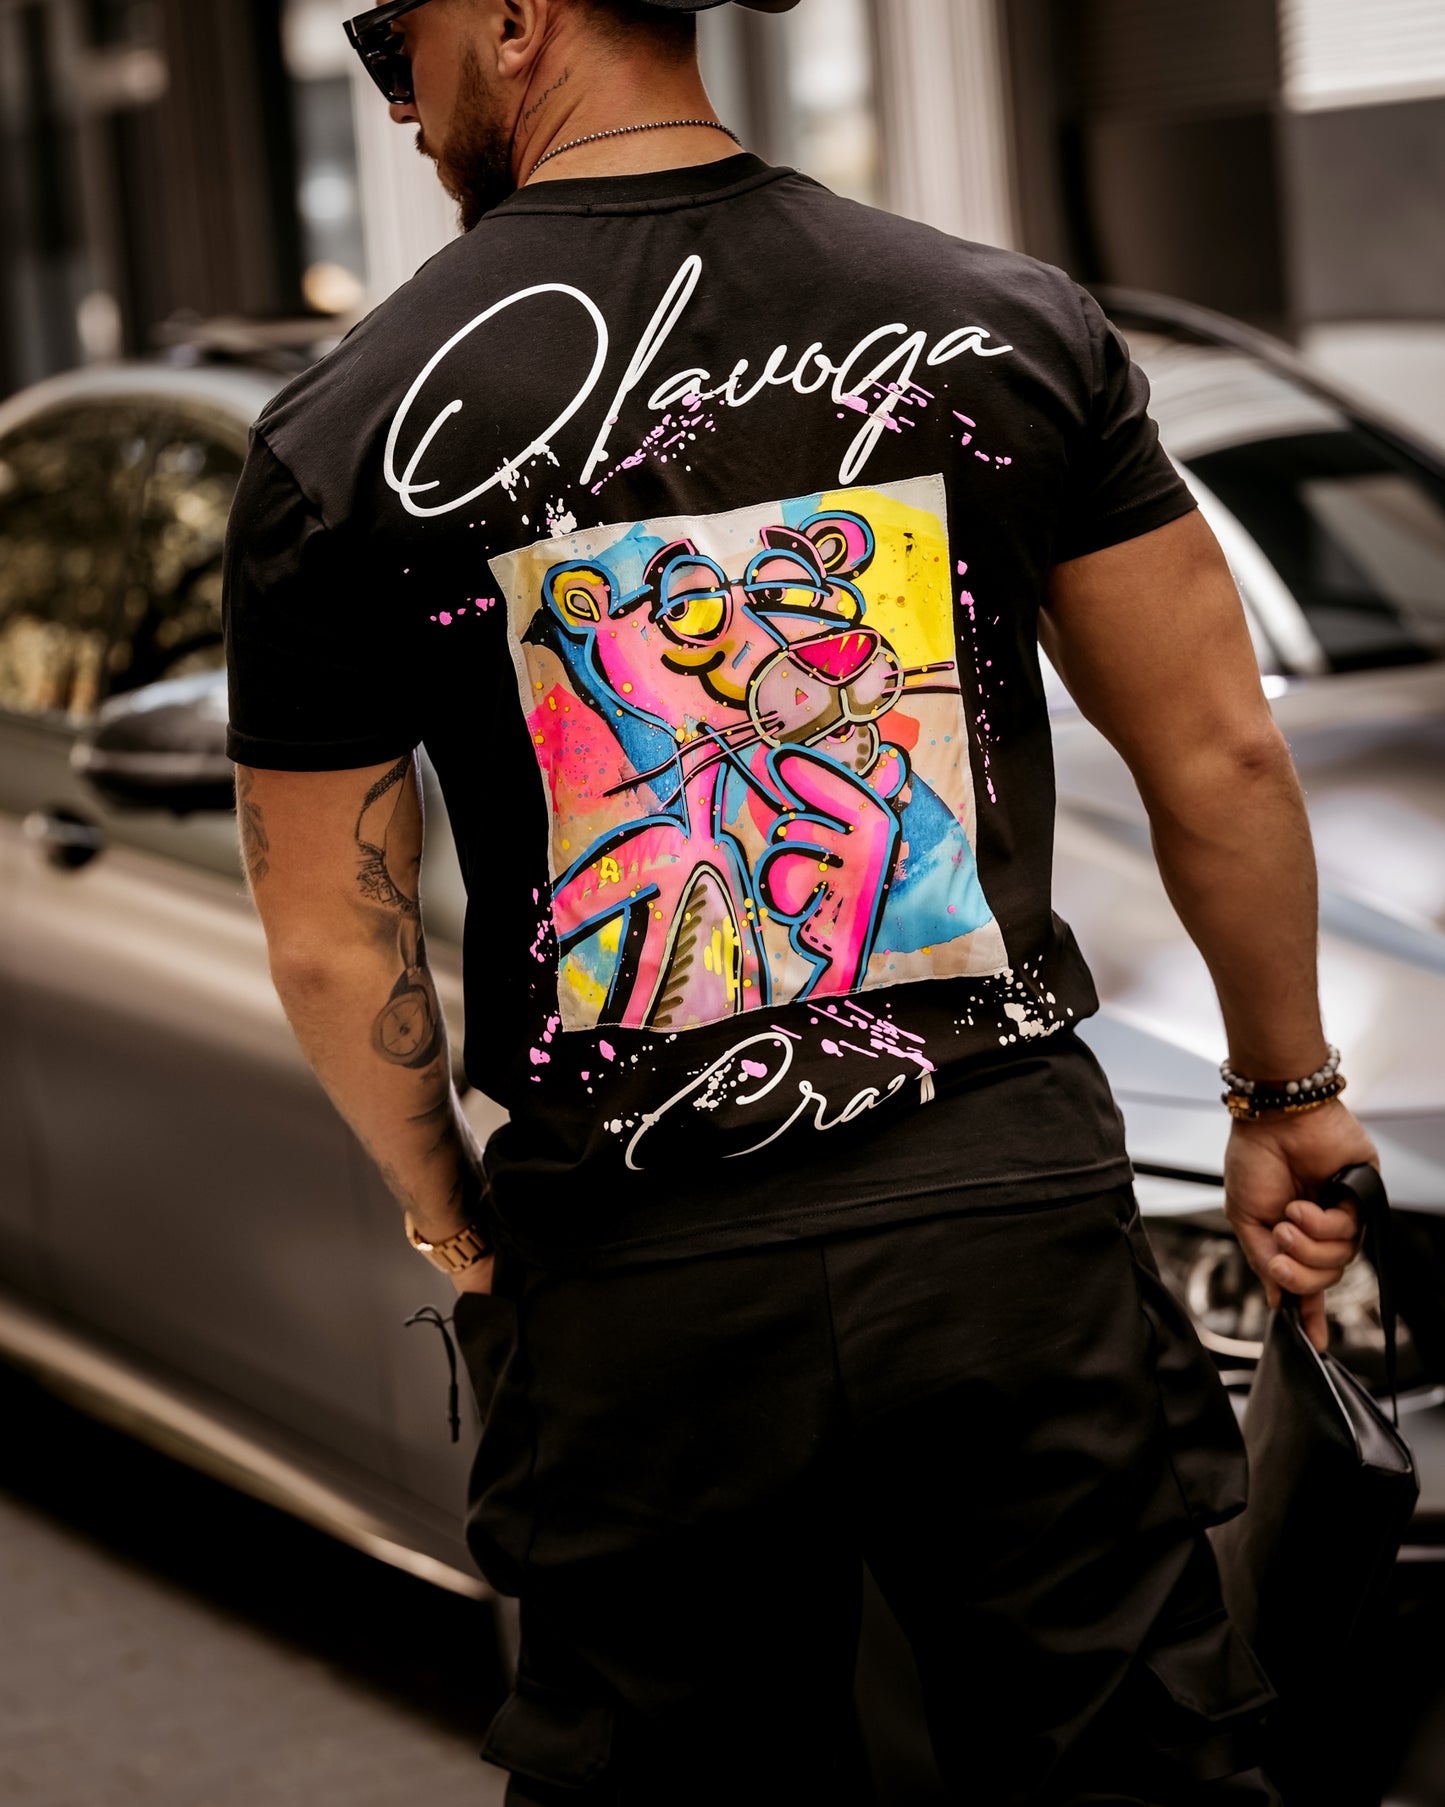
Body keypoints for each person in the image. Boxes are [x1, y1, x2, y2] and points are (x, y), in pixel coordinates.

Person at [222, 1, 1379, 1800]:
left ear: (513, 17)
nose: (396, 102)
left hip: (639, 1272)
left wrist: (461, 1237)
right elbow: (1218, 753)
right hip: (1004, 1230)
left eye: (397, 41)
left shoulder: (343, 426)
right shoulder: (1008, 324)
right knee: (1123, 1757)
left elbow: (327, 930)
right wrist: (1284, 1091)